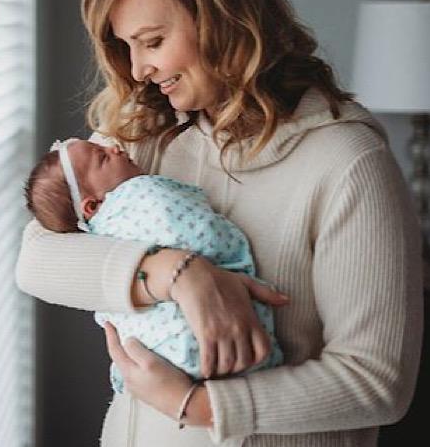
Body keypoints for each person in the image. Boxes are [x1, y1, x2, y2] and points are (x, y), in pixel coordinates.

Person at [14, 0, 422, 447]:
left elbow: (376, 383)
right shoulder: (147, 140)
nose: (138, 70)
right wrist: (176, 274)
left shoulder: (346, 163)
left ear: (225, 17)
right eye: (126, 47)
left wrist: (196, 405)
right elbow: (35, 258)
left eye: (152, 41)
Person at [22, 137, 284, 401]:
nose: (114, 147)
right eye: (103, 157)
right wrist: (180, 272)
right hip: (153, 371)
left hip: (186, 372)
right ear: (93, 206)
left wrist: (193, 406)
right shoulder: (134, 191)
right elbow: (30, 263)